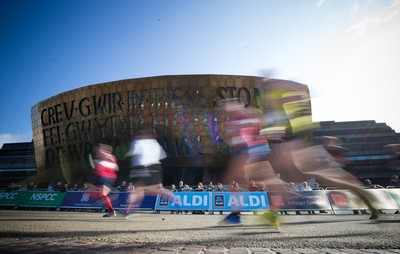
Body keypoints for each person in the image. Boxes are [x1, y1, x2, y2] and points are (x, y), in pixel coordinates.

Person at [125, 130, 174, 216]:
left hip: (140, 167)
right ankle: (170, 195)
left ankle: (128, 211)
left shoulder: (137, 142)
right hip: (155, 167)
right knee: (153, 189)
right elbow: (163, 156)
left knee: (138, 190)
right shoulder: (155, 143)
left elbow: (131, 153)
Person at [90, 143, 119, 217]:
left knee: (102, 194)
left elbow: (97, 166)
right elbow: (116, 168)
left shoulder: (100, 154)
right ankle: (111, 211)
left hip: (104, 176)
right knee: (102, 194)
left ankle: (112, 208)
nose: (95, 150)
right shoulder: (112, 157)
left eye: (96, 149)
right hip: (111, 177)